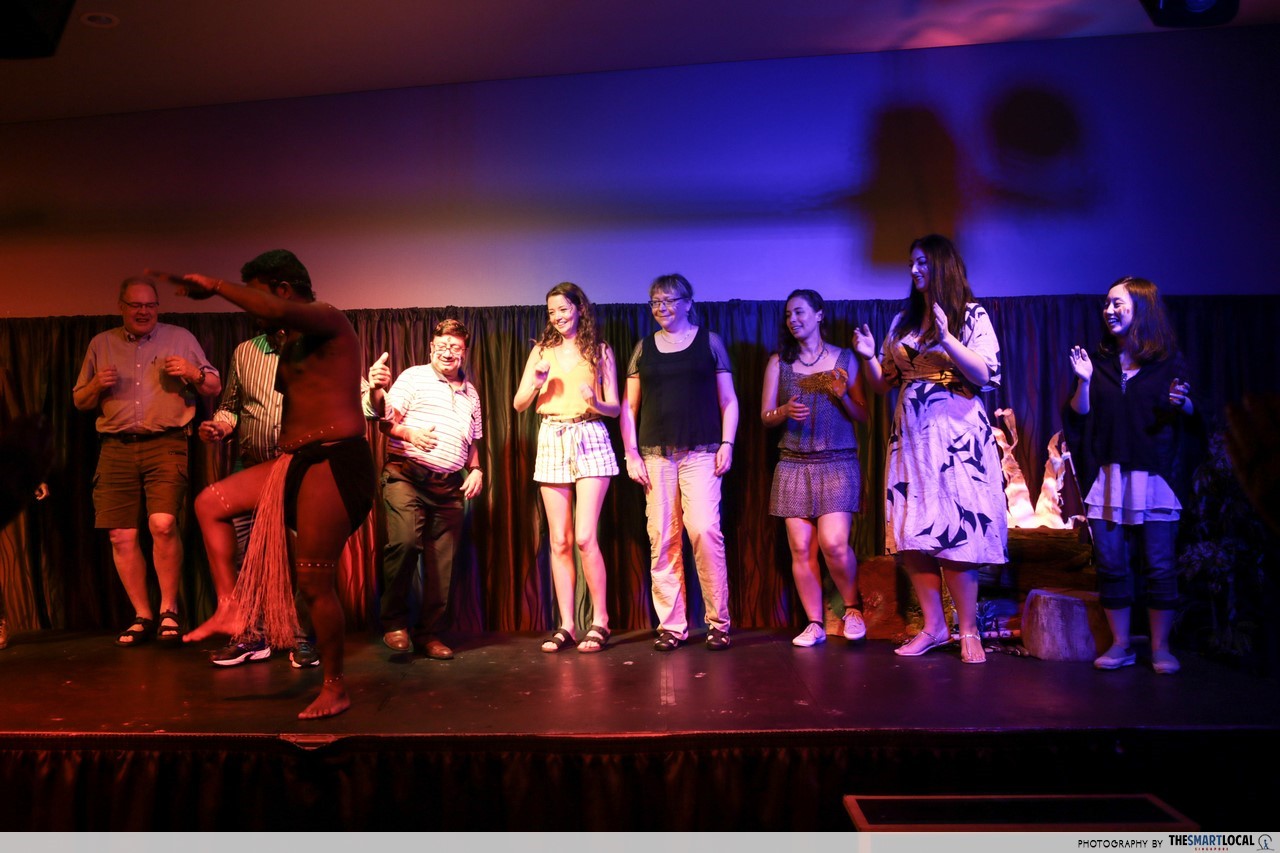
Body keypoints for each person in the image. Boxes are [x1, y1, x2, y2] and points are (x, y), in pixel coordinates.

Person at [152, 250, 376, 720]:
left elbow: (274, 310)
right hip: (292, 462)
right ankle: (231, 606)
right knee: (210, 504)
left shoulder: (329, 319)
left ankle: (335, 686)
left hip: (335, 461)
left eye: (258, 294)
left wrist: (216, 286)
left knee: (313, 580)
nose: (255, 309)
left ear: (282, 289)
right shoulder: (288, 343)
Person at [852, 234, 1006, 665]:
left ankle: (968, 629)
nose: (914, 269)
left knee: (957, 530)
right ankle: (935, 627)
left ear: (942, 264)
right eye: (911, 263)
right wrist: (867, 357)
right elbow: (883, 383)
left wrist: (948, 338)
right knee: (915, 532)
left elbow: (985, 374)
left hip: (956, 434)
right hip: (912, 435)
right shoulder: (903, 320)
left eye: (922, 262)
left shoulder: (970, 314)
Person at [72, 276, 222, 647]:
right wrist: (96, 385)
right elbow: (80, 401)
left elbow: (213, 386)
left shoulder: (180, 338)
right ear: (121, 306)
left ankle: (169, 610)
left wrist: (192, 372)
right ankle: (142, 615)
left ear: (157, 307)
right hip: (116, 446)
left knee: (163, 524)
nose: (143, 311)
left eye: (150, 305)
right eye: (136, 305)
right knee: (120, 534)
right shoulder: (101, 344)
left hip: (166, 442)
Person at [1064, 276, 1195, 675]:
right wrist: (1084, 381)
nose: (1109, 310)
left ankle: (1161, 648)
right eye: (1106, 304)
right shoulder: (1098, 363)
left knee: (1160, 566)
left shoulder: (1167, 362)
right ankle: (1121, 644)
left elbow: (1192, 413)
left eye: (1118, 303)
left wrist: (1183, 402)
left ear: (1142, 307)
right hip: (1110, 475)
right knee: (1111, 564)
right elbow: (1078, 415)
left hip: (1154, 477)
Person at [195, 279, 317, 669]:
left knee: (309, 560)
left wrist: (375, 395)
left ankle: (303, 638)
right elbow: (231, 405)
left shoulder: (317, 346)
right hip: (252, 468)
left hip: (303, 471)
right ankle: (252, 635)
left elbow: (357, 398)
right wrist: (220, 426)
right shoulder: (245, 351)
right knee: (246, 558)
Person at [620, 273, 738, 652]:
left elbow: (728, 401)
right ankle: (672, 626)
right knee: (663, 537)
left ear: (688, 302)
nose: (662, 307)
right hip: (656, 455)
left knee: (704, 531)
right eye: (656, 301)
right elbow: (629, 407)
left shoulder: (710, 342)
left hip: (702, 451)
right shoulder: (643, 348)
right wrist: (631, 452)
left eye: (669, 300)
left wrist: (727, 442)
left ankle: (718, 623)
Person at [365, 319, 484, 661]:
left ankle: (429, 633)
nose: (448, 352)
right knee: (403, 544)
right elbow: (384, 419)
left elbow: (473, 441)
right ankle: (394, 624)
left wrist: (476, 469)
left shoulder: (471, 394)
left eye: (455, 347)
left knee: (443, 565)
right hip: (407, 477)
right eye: (442, 346)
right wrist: (404, 427)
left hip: (448, 488)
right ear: (431, 348)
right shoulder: (414, 377)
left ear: (464, 352)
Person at [513, 283, 620, 653]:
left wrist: (595, 403)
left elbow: (614, 408)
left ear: (579, 309)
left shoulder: (599, 350)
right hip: (552, 435)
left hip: (590, 433)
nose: (557, 317)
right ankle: (567, 625)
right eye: (551, 312)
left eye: (563, 309)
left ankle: (601, 621)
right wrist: (536, 383)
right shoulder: (541, 352)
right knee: (559, 539)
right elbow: (519, 403)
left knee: (585, 537)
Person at [761, 289, 870, 647]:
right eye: (788, 315)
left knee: (834, 543)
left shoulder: (844, 358)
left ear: (820, 315)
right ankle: (815, 622)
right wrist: (783, 411)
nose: (793, 320)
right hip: (793, 464)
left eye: (800, 312)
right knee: (801, 547)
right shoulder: (779, 363)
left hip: (837, 461)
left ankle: (852, 608)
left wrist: (842, 395)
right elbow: (765, 416)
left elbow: (863, 415)